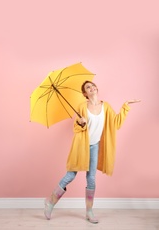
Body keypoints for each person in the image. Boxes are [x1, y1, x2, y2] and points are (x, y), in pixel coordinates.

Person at [44, 80, 141, 224]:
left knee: (91, 178)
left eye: (93, 86)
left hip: (94, 145)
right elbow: (76, 129)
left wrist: (125, 106)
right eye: (88, 87)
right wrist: (80, 123)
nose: (91, 88)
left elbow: (116, 123)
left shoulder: (106, 106)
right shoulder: (82, 107)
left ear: (96, 89)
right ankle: (50, 202)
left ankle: (89, 211)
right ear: (84, 93)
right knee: (70, 175)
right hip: (81, 146)